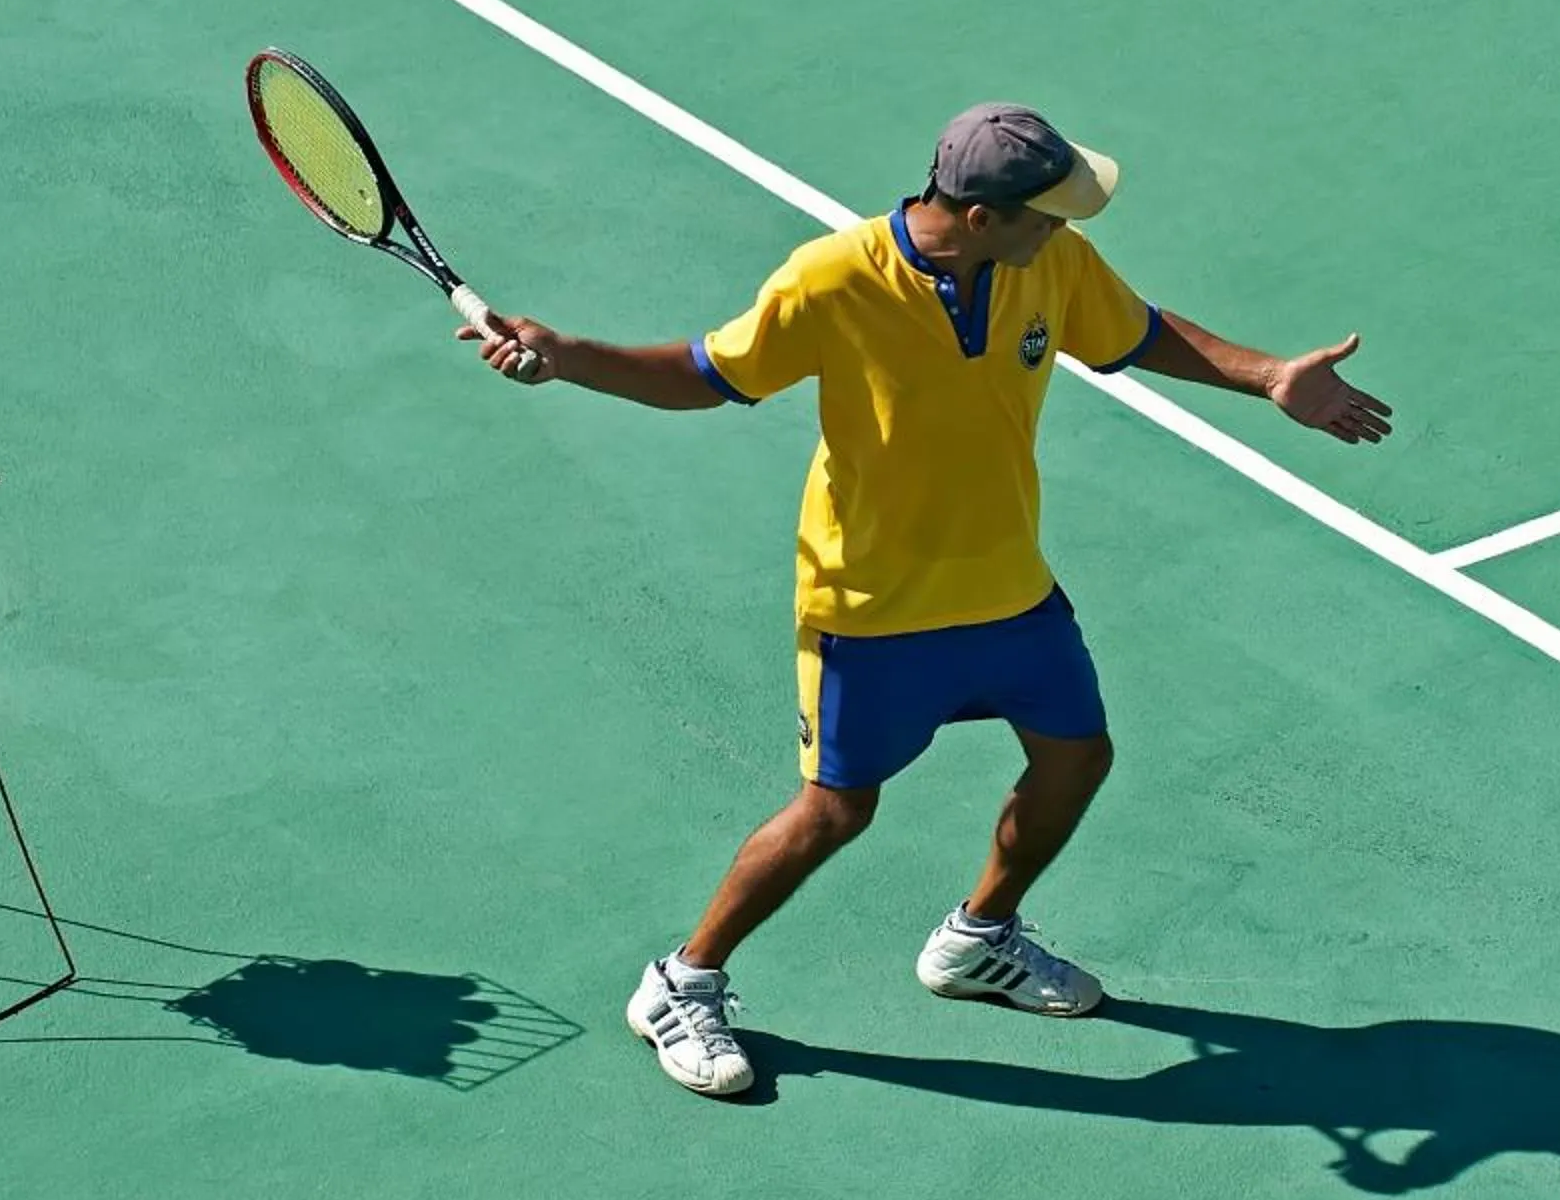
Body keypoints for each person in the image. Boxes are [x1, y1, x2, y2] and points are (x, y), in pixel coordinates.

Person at [459, 103, 1391, 1097]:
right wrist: (570, 355)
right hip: (872, 602)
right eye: (1049, 212)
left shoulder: (1048, 264)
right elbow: (707, 374)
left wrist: (1268, 376)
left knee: (1077, 755)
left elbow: (1138, 331)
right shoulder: (833, 278)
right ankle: (681, 981)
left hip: (1005, 584)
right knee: (835, 809)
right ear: (983, 214)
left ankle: (977, 936)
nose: (1067, 230)